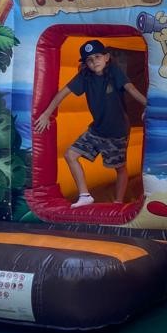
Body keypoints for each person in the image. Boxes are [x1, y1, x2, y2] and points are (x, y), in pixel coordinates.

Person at [34, 39, 147, 207]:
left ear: (106, 57)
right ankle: (85, 195)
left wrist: (148, 106)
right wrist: (46, 114)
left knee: (120, 167)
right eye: (90, 60)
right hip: (97, 130)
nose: (94, 62)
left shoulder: (114, 72)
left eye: (97, 57)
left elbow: (131, 88)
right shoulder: (85, 76)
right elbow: (63, 93)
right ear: (86, 64)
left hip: (117, 131)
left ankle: (118, 202)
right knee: (70, 155)